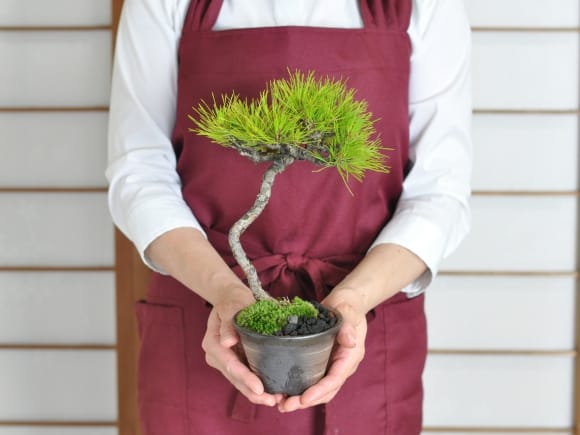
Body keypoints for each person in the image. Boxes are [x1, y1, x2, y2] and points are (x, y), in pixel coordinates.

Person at [106, 0, 472, 433]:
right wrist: (225, 291)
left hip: (366, 324)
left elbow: (439, 190)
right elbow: (139, 171)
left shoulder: (424, 6)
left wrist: (352, 302)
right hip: (205, 314)